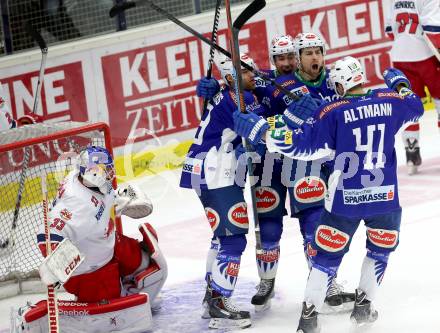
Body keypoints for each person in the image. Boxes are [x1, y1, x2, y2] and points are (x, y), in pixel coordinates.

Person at [232, 56, 424, 332]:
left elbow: (300, 146)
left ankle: (309, 317)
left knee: (324, 259)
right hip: (386, 200)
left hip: (345, 203)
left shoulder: (333, 110)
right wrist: (402, 84)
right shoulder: (390, 100)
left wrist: (260, 132)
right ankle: (364, 307)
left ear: (342, 84)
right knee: (378, 253)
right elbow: (416, 107)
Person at [196, 33, 354, 312]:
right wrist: (217, 89)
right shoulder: (271, 81)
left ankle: (326, 283)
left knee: (313, 221)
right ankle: (266, 282)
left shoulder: (333, 79)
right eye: (281, 58)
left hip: (305, 160)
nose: (287, 62)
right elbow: (240, 84)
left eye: (292, 56)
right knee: (268, 228)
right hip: (266, 162)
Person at [15, 146, 167, 332]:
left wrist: (118, 201)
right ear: (92, 172)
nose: (110, 173)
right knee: (113, 311)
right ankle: (34, 310)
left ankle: (125, 286)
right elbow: (46, 233)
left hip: (105, 239)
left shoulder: (80, 177)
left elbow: (99, 203)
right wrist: (55, 261)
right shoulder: (77, 204)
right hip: (90, 270)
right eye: (105, 169)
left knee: (145, 260)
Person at [180, 53, 267, 330]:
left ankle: (211, 300)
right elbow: (264, 125)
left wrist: (218, 84)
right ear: (231, 78)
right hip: (216, 171)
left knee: (220, 237)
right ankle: (219, 302)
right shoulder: (240, 99)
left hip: (203, 167)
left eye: (253, 70)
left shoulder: (226, 94)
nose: (253, 74)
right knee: (234, 239)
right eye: (246, 72)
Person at [385, 0, 440, 174]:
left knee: (408, 106)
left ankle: (411, 155)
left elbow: (390, 32)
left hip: (401, 57)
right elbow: (432, 29)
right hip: (427, 56)